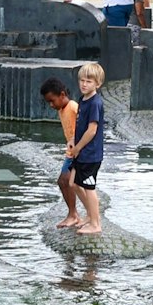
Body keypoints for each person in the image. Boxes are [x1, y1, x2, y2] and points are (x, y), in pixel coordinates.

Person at [66, 62, 106, 235]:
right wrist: (73, 141)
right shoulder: (82, 100)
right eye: (82, 80)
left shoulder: (95, 103)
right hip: (81, 152)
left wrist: (78, 148)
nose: (84, 84)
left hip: (91, 154)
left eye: (89, 81)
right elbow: (80, 126)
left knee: (90, 188)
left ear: (98, 84)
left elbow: (92, 130)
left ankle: (96, 223)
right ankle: (90, 214)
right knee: (73, 183)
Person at [39, 78, 83, 229]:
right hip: (70, 152)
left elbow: (85, 124)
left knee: (67, 181)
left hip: (78, 151)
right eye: (48, 102)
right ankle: (73, 213)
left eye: (52, 100)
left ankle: (74, 215)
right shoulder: (61, 109)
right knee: (62, 181)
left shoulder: (72, 107)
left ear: (62, 94)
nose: (51, 105)